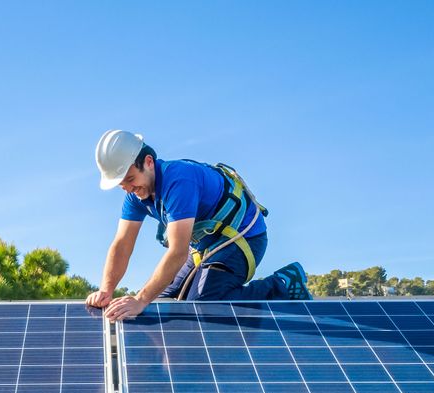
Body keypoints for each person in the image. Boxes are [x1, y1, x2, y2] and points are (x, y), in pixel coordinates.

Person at [85, 130, 311, 321]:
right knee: (163, 303)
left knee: (202, 305)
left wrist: (140, 299)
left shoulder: (179, 181)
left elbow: (177, 251)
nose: (127, 188)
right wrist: (106, 289)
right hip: (205, 247)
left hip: (244, 237)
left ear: (148, 162)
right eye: (121, 184)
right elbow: (122, 244)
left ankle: (282, 283)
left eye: (130, 179)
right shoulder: (135, 196)